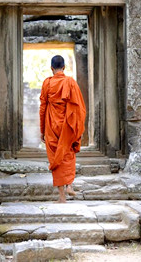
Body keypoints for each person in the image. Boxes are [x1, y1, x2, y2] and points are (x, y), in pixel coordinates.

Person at [39, 55, 86, 203]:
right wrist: (76, 127)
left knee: (55, 157)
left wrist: (42, 129)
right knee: (68, 153)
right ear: (64, 68)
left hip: (52, 126)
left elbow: (43, 108)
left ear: (52, 68)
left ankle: (61, 197)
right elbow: (79, 108)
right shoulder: (70, 82)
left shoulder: (47, 83)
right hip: (68, 124)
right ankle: (69, 186)